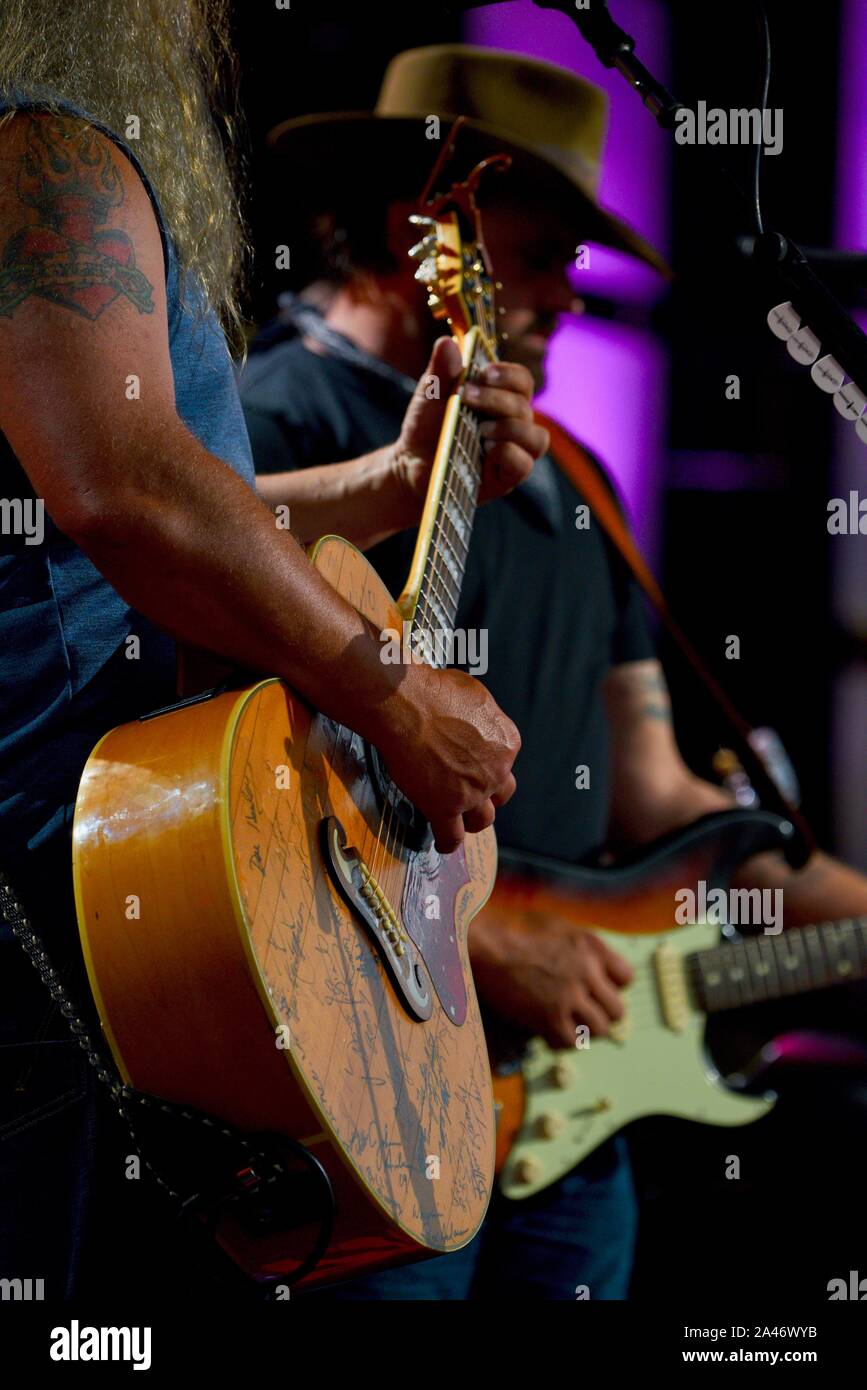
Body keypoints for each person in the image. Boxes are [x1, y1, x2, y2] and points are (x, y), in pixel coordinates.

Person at [240, 43, 867, 1300]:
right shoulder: (277, 431)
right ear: (427, 232)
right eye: (541, 258)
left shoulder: (579, 482)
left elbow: (658, 794)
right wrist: (478, 944)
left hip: (577, 1100)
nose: (572, 301)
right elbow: (232, 799)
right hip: (370, 1073)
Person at [0, 6, 548, 1302]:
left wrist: (391, 479)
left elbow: (177, 493)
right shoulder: (42, 156)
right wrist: (397, 693)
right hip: (57, 868)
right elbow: (125, 491)